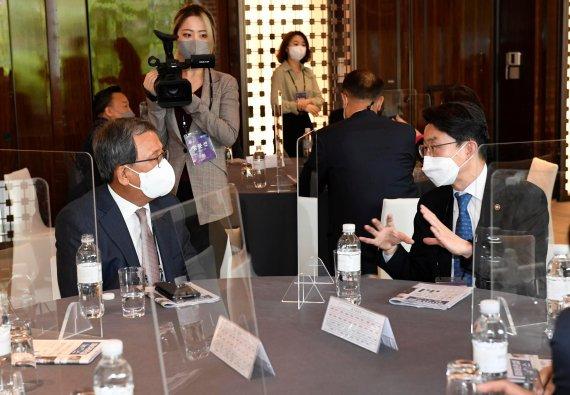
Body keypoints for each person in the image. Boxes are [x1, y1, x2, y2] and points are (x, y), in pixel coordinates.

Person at [360, 101, 548, 293]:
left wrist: (469, 250)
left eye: (435, 147)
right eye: (424, 149)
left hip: (499, 312)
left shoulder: (521, 198)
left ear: (468, 149)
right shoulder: (433, 202)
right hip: (444, 313)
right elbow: (420, 278)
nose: (428, 158)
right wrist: (391, 250)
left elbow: (527, 271)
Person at [56, 118, 203, 298]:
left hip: (174, 316)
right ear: (125, 174)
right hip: (121, 321)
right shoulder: (80, 221)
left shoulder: (169, 204)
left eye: (162, 155)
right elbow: (80, 300)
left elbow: (192, 268)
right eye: (154, 158)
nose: (163, 165)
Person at [300, 70, 418, 275]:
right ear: (379, 102)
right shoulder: (405, 133)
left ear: (344, 98)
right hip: (402, 241)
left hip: (352, 247)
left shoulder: (327, 137)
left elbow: (308, 188)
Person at [143, 3, 239, 226]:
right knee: (174, 258)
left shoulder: (225, 83)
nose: (195, 40)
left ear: (211, 39)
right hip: (172, 186)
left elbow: (229, 135)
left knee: (212, 258)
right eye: (187, 34)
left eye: (202, 34)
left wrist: (191, 101)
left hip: (210, 188)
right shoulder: (166, 80)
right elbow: (158, 142)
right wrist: (154, 100)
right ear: (176, 38)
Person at [69, 86, 135, 202]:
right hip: (95, 200)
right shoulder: (105, 133)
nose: (130, 111)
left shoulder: (99, 130)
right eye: (125, 106)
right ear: (108, 111)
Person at [271, 31, 324, 157]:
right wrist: (300, 106)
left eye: (303, 44)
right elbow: (275, 104)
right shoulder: (280, 72)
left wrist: (306, 103)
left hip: (305, 121)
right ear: (287, 48)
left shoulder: (308, 72)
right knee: (291, 165)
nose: (300, 47)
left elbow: (320, 100)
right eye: (296, 44)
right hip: (287, 124)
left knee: (310, 160)